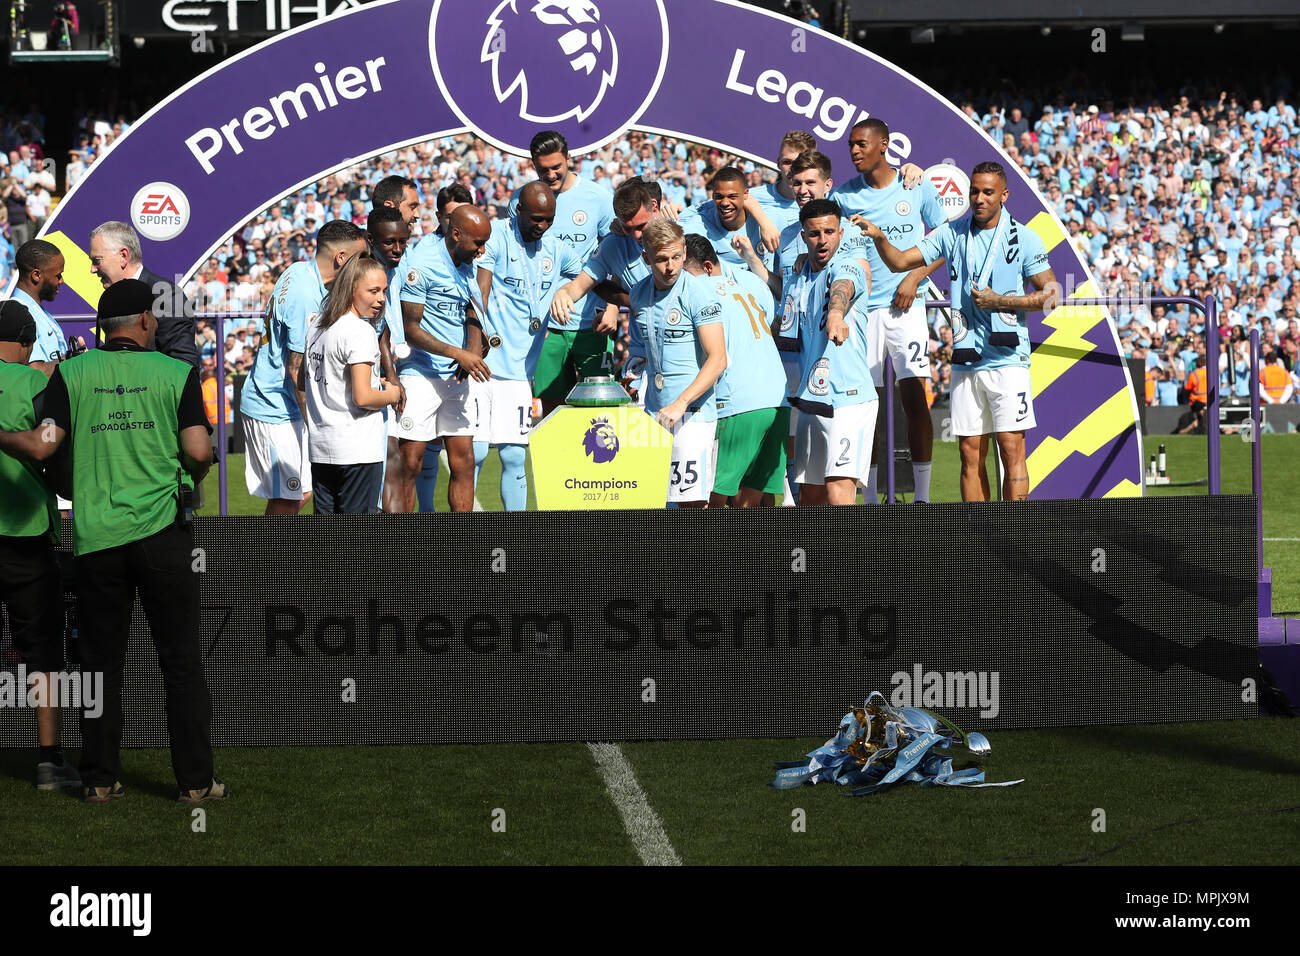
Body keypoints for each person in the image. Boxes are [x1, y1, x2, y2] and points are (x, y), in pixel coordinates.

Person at [0, 279, 223, 804]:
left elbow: (45, 444)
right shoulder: (177, 372)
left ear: (103, 327)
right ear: (147, 321)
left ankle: (99, 779)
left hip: (97, 537)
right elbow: (198, 450)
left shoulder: (72, 373)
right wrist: (188, 475)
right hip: (164, 532)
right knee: (182, 663)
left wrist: (8, 438)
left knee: (99, 665)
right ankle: (195, 783)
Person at [857, 161, 1059, 502]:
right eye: (974, 191)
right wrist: (879, 236)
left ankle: (1015, 536)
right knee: (969, 454)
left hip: (1008, 360)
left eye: (988, 192)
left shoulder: (1025, 237)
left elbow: (1053, 296)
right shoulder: (952, 232)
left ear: (1004, 195)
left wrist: (1002, 301)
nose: (979, 198)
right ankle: (981, 539)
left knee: (1012, 449)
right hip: (966, 361)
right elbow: (901, 262)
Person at [835, 118, 949, 503]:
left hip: (907, 309)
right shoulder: (845, 196)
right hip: (862, 312)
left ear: (883, 145)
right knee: (866, 405)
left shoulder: (916, 185)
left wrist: (915, 278)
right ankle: (868, 500)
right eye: (851, 144)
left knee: (914, 397)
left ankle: (921, 497)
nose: (854, 150)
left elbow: (944, 239)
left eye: (861, 144)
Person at [0, 300, 79, 791]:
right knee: (42, 651)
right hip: (25, 533)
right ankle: (49, 761)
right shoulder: (38, 384)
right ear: (27, 343)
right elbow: (47, 446)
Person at [240, 220, 368, 514]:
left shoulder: (298, 270)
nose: (361, 267)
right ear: (341, 258)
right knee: (291, 497)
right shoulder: (306, 296)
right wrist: (318, 427)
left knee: (300, 492)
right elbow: (297, 370)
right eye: (359, 258)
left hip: (280, 405)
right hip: (273, 406)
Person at [474, 182, 582, 510]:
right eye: (536, 219)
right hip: (483, 367)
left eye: (548, 219)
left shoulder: (555, 247)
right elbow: (480, 294)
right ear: (517, 210)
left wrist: (596, 300)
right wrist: (476, 344)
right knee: (475, 454)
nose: (542, 226)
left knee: (513, 457)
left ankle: (516, 541)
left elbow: (588, 277)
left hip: (520, 373)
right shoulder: (495, 235)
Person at [510, 131, 617, 417]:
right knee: (552, 411)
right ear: (533, 165)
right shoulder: (521, 199)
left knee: (600, 410)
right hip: (545, 327)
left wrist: (614, 306)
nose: (551, 174)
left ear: (569, 157)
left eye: (556, 166)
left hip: (592, 321)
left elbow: (616, 254)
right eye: (543, 169)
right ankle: (559, 464)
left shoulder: (598, 198)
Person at [623, 219, 727, 507]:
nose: (670, 266)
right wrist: (629, 376)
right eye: (661, 259)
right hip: (655, 411)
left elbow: (718, 359)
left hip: (692, 413)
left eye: (676, 257)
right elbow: (639, 347)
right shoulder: (638, 293)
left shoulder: (698, 293)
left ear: (683, 250)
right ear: (646, 258)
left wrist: (681, 402)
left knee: (691, 504)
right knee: (654, 500)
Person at [395, 204, 492, 513]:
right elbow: (410, 328)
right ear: (456, 233)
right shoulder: (423, 262)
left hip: (456, 376)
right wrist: (458, 353)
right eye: (477, 242)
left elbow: (471, 309)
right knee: (409, 463)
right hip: (419, 373)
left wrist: (474, 349)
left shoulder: (466, 262)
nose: (482, 250)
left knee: (465, 461)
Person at [679, 236, 788, 507]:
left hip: (737, 401)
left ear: (706, 267)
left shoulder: (697, 290)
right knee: (752, 500)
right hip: (776, 398)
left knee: (710, 497)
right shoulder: (749, 280)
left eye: (683, 272)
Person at [784, 199, 877, 506]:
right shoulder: (799, 277)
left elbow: (843, 288)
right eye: (814, 233)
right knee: (810, 495)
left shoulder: (847, 264)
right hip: (813, 398)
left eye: (829, 231)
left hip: (848, 399)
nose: (822, 240)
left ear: (840, 233)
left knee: (839, 490)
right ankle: (813, 556)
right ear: (803, 235)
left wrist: (835, 315)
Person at [302, 256, 402, 513]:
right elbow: (363, 398)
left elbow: (316, 376)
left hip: (322, 447)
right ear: (350, 288)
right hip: (356, 451)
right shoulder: (359, 330)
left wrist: (371, 383)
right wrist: (392, 393)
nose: (381, 299)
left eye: (384, 291)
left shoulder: (316, 324)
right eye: (373, 291)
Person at [87, 221, 200, 370]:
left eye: (97, 261)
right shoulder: (113, 297)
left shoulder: (167, 296)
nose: (92, 269)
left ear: (123, 256)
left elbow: (184, 366)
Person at [365, 206, 411, 510]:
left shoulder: (390, 270)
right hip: (359, 380)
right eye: (389, 242)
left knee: (392, 459)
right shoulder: (364, 274)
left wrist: (391, 374)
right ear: (371, 240)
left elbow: (382, 330)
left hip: (379, 375)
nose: (397, 249)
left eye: (402, 241)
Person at [677, 166, 774, 272]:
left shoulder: (769, 221)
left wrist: (765, 224)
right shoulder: (700, 222)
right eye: (719, 197)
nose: (725, 203)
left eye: (732, 196)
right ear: (712, 196)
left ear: (745, 194)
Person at [11, 239, 79, 376]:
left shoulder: (36, 311)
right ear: (36, 275)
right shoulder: (19, 315)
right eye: (58, 275)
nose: (62, 281)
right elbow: (34, 372)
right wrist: (76, 359)